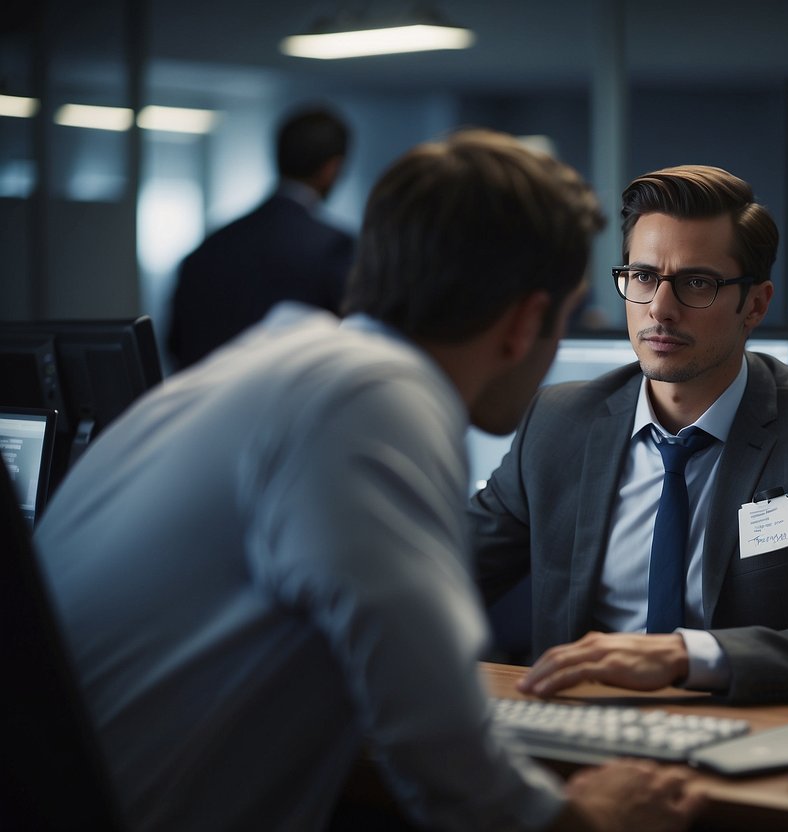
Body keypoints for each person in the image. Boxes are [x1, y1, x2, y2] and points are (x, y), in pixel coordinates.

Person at [34, 130, 700, 832]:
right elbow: (450, 766)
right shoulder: (372, 398)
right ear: (525, 321)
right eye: (562, 320)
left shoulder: (279, 360)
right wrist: (588, 817)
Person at [471, 164, 788, 704]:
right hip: (578, 720)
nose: (660, 310)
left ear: (754, 304)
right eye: (642, 277)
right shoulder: (558, 422)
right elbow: (439, 571)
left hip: (746, 732)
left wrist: (688, 656)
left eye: (697, 283)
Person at [167, 106, 356, 370]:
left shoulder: (211, 245)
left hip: (209, 403)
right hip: (293, 406)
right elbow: (352, 345)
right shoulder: (333, 247)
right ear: (332, 168)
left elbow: (176, 345)